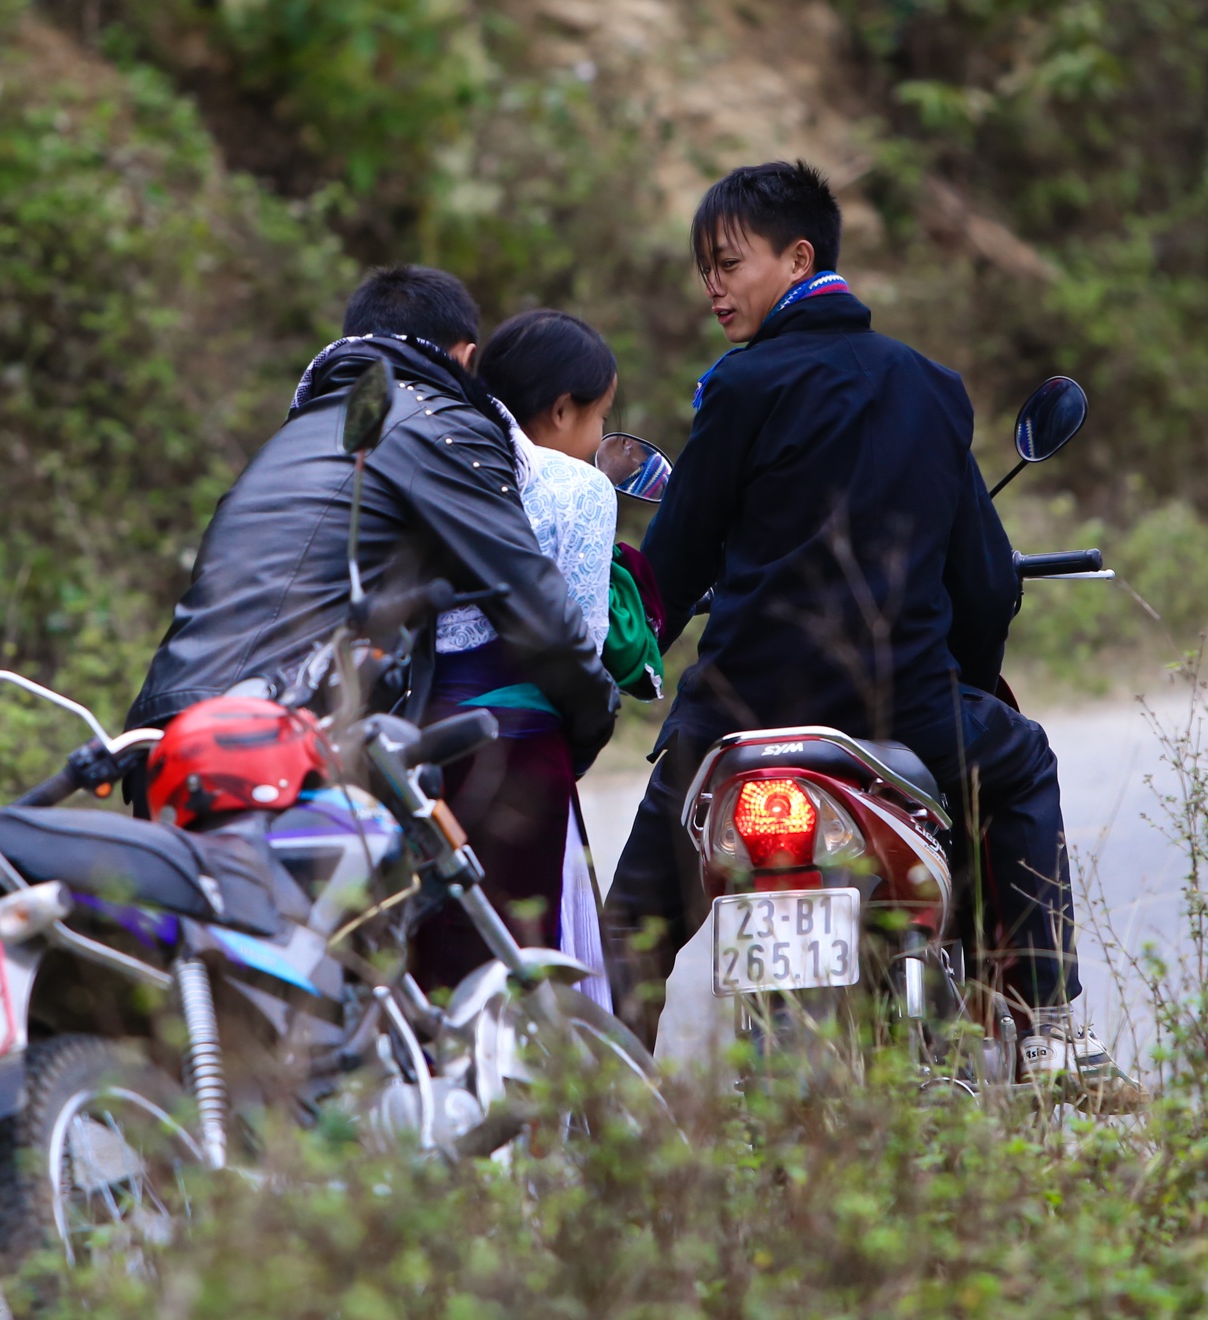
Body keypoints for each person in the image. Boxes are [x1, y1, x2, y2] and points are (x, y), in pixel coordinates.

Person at [603, 161, 1143, 1109]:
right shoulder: (929, 389)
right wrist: (963, 679)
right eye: (705, 270)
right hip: (905, 713)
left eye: (728, 263)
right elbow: (983, 583)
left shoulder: (738, 386)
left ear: (798, 256)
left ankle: (597, 1104)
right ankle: (1052, 1031)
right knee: (1020, 764)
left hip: (741, 712)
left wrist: (639, 637)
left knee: (641, 913)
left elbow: (676, 561)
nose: (713, 287)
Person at [128, 265, 619, 811]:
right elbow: (532, 601)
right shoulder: (441, 425)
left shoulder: (299, 434)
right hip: (264, 733)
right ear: (463, 357)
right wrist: (592, 719)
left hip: (169, 726)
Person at [408, 309, 656, 1003]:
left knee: (437, 967)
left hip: (417, 741)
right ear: (559, 409)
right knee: (525, 964)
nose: (600, 440)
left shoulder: (425, 460)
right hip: (521, 748)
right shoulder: (577, 488)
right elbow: (580, 639)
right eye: (600, 419)